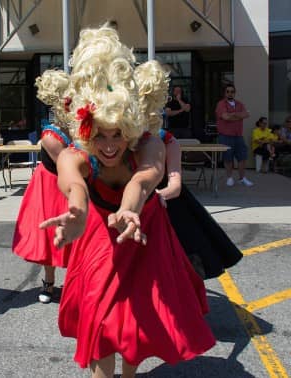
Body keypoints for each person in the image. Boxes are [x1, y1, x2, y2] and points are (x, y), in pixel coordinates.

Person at [39, 24, 215, 378]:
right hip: (99, 237)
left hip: (143, 232)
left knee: (138, 319)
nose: (108, 145)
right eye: (100, 135)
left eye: (117, 134)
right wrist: (77, 208)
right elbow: (71, 180)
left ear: (130, 129)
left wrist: (129, 210)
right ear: (86, 131)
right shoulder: (75, 154)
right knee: (99, 318)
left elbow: (143, 178)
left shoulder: (148, 145)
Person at [12, 70, 72, 304]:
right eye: (68, 102)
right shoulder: (50, 136)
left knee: (80, 235)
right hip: (50, 189)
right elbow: (69, 164)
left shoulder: (76, 130)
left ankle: (79, 281)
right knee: (51, 236)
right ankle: (48, 282)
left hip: (68, 186)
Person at [157, 129, 243, 280]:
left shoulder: (167, 139)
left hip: (165, 203)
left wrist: (152, 197)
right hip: (131, 204)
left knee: (185, 257)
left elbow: (175, 187)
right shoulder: (119, 136)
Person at [215, 84, 253, 187]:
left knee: (242, 157)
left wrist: (232, 115)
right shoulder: (221, 104)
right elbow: (225, 117)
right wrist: (238, 115)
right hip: (226, 135)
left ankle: (242, 178)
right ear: (225, 93)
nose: (230, 93)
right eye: (228, 91)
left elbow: (247, 114)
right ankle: (229, 178)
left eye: (232, 91)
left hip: (238, 135)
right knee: (228, 158)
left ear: (234, 93)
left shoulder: (239, 104)